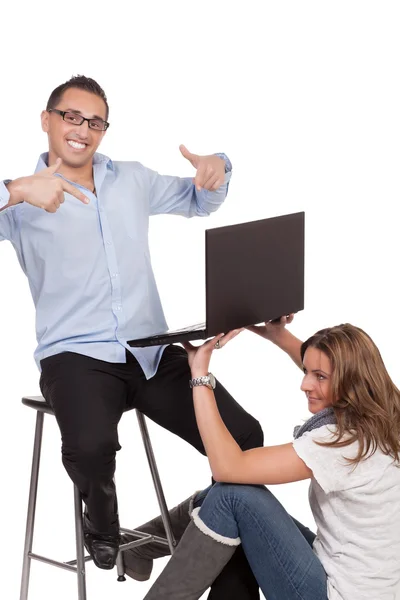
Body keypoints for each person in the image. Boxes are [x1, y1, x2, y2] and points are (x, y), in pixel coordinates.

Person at [0, 75, 263, 597]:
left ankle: (162, 537)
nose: (83, 129)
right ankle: (101, 521)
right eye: (71, 116)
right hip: (75, 355)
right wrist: (14, 191)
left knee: (246, 439)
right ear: (47, 120)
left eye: (95, 121)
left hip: (149, 351)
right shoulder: (21, 200)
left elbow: (199, 201)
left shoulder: (132, 180)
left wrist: (219, 169)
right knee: (93, 446)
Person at [142, 317, 400, 600]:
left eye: (319, 377)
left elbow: (227, 468)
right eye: (306, 371)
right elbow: (333, 366)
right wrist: (278, 335)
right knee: (226, 501)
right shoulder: (387, 412)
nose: (304, 384)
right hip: (367, 587)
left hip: (336, 594)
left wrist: (199, 374)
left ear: (350, 380)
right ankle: (137, 549)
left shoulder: (342, 442)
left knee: (232, 496)